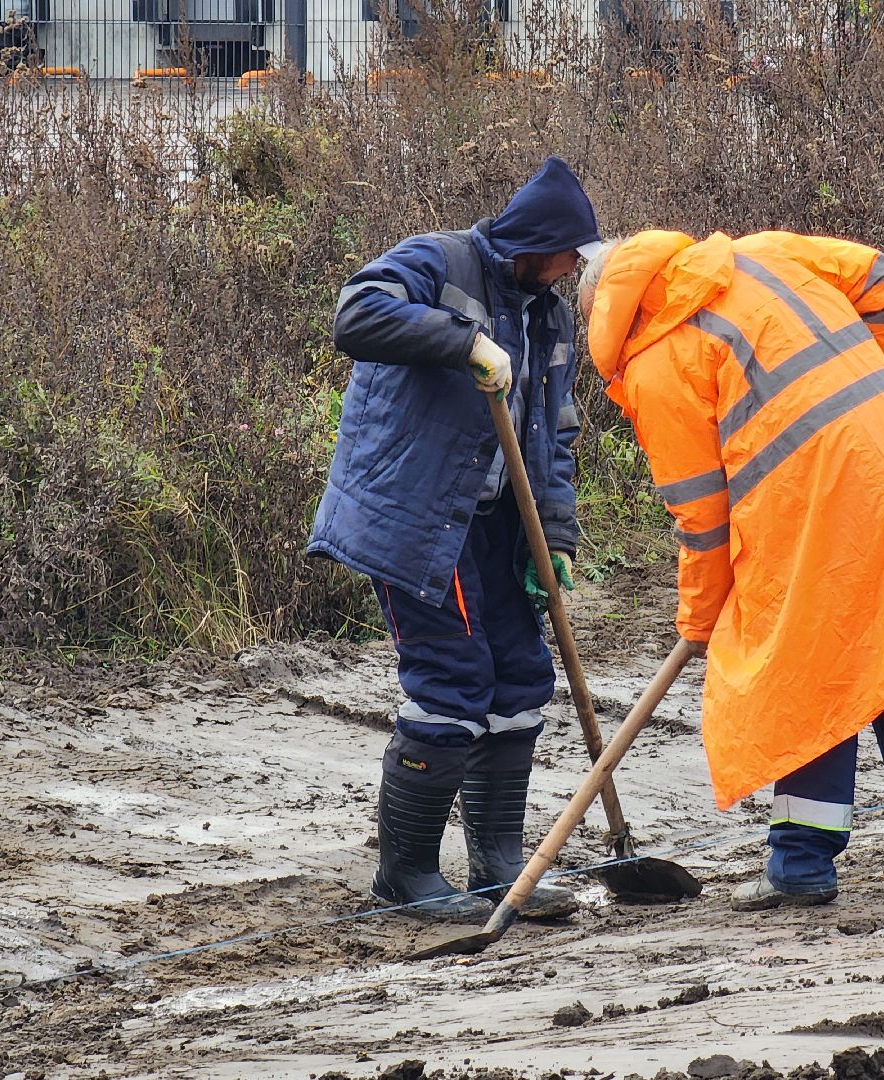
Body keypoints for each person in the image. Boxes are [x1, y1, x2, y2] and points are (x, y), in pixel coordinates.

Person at [578, 229, 884, 910]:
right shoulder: (763, 252)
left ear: (607, 314)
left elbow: (702, 517)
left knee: (800, 670)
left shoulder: (659, 362)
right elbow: (882, 277)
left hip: (824, 504)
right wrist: (856, 394)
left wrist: (701, 616)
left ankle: (801, 863)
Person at [308, 157, 603, 922]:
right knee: (453, 679)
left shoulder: (551, 316)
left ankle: (501, 864)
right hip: (413, 519)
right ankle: (404, 876)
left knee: (520, 677)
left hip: (498, 528)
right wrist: (464, 341)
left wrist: (557, 540)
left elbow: (555, 437)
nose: (576, 268)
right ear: (539, 241)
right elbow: (355, 315)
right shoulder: (439, 260)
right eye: (572, 252)